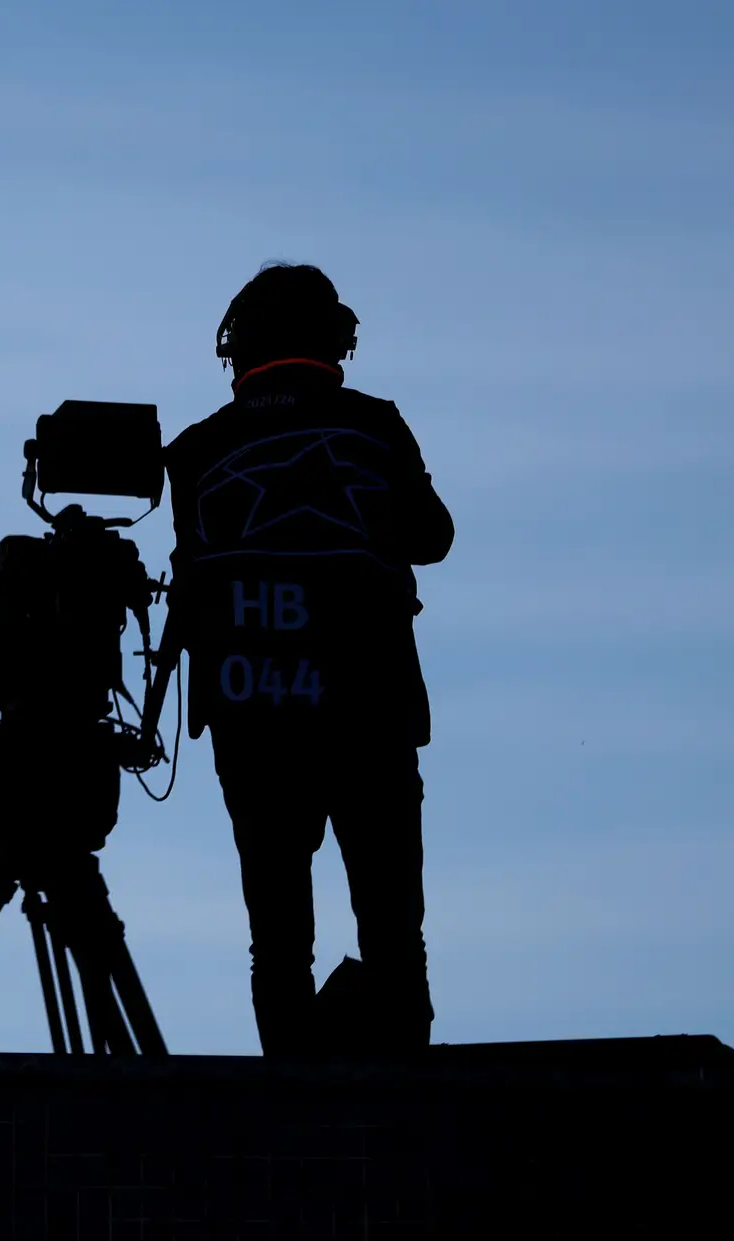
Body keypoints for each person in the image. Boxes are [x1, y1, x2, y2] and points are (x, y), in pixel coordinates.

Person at [161, 263, 454, 1057]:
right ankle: (404, 1104)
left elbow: (190, 582)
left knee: (278, 942)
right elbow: (435, 537)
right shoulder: (376, 425)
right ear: (336, 338)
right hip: (371, 714)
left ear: (236, 348)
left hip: (253, 723)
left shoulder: (192, 454)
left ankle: (288, 1105)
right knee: (394, 931)